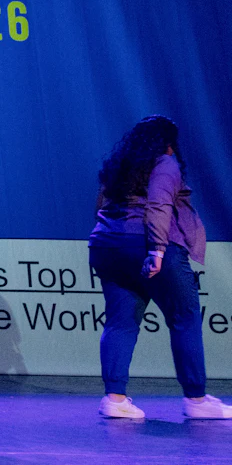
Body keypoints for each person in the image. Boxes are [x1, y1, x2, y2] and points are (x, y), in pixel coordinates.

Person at [90, 115, 231, 420]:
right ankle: (196, 400)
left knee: (120, 321)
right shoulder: (165, 163)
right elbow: (158, 205)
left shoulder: (120, 165)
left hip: (107, 245)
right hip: (149, 246)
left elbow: (100, 205)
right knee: (185, 318)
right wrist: (156, 249)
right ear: (169, 144)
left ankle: (114, 398)